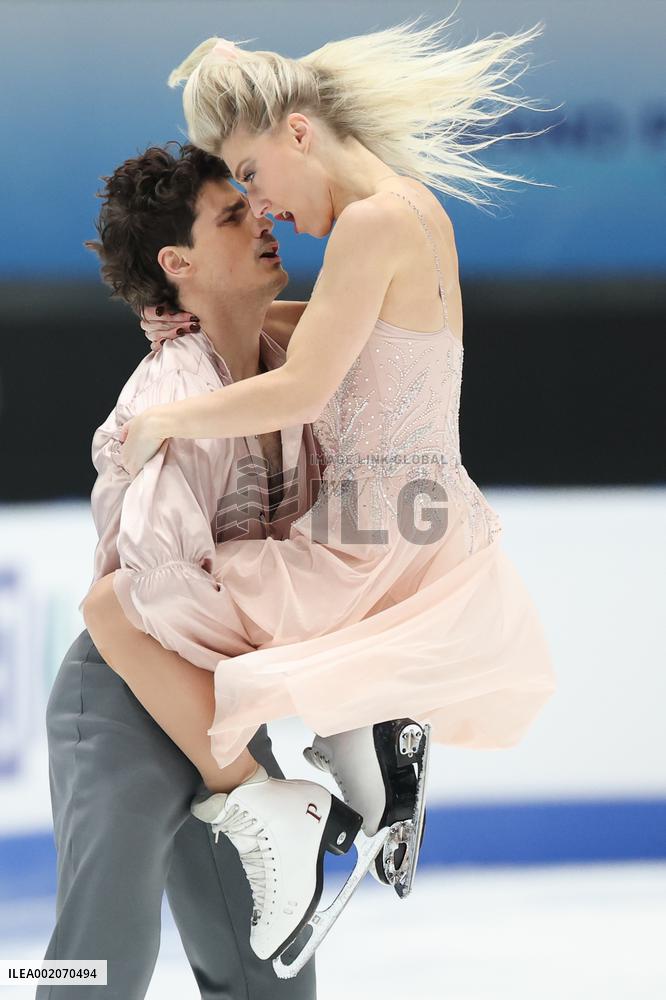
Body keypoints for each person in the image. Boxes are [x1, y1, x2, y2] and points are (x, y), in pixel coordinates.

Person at [83, 16, 557, 963]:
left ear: (299, 131)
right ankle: (370, 759)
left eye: (252, 174)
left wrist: (160, 424)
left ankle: (277, 811)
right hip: (422, 519)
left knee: (114, 607)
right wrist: (201, 313)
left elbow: (304, 382)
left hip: (368, 533)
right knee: (278, 611)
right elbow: (333, 327)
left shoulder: (374, 224)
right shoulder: (410, 212)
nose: (262, 205)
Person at [38, 142, 319, 998]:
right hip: (128, 689)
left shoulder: (281, 372)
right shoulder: (174, 397)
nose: (262, 219)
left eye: (253, 205)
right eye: (234, 215)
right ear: (178, 263)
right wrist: (246, 780)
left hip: (219, 701)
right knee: (98, 967)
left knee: (271, 979)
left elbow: (374, 315)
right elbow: (141, 601)